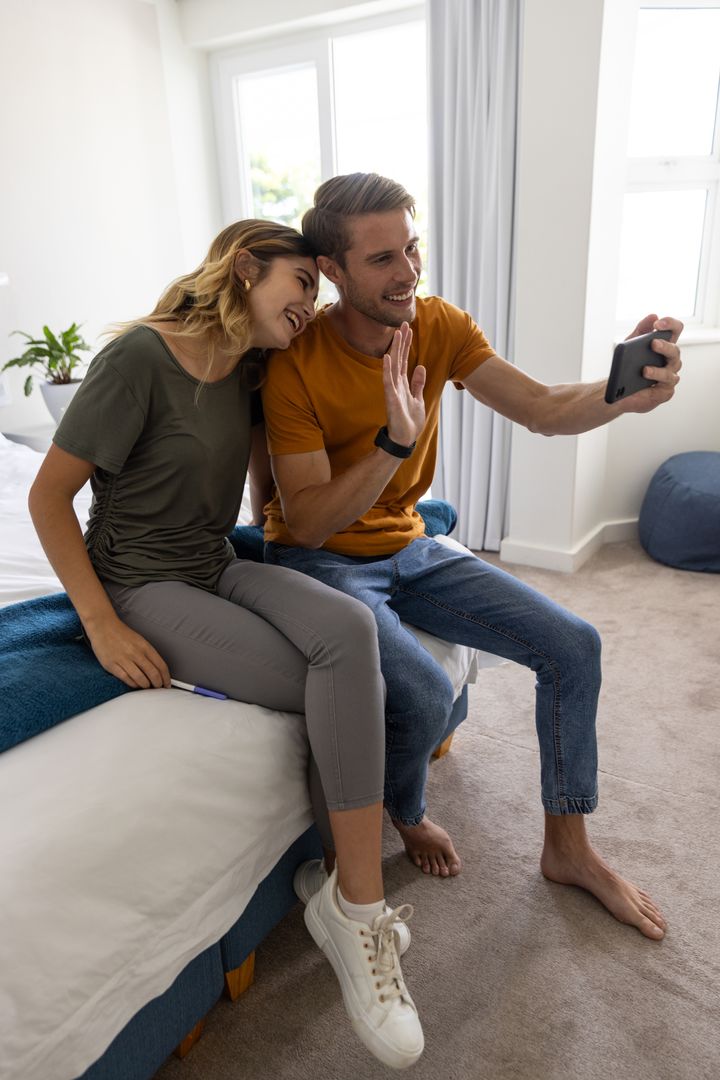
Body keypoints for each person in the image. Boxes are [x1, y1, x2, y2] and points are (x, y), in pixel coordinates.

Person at [27, 220, 424, 1070]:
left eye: (317, 291)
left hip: (215, 561)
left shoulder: (250, 365)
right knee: (325, 682)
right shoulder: (138, 359)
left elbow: (268, 488)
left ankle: (340, 894)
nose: (310, 304)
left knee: (349, 631)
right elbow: (47, 498)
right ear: (244, 269)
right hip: (140, 583)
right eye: (301, 284)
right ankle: (360, 913)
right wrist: (102, 623)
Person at [261, 173, 683, 941]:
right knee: (423, 694)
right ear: (331, 269)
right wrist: (394, 442)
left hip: (408, 543)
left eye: (412, 248)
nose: (409, 272)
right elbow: (310, 522)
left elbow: (543, 408)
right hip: (320, 563)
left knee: (574, 646)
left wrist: (622, 394)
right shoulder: (295, 364)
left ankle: (569, 849)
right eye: (383, 259)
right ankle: (408, 813)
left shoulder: (438, 324)